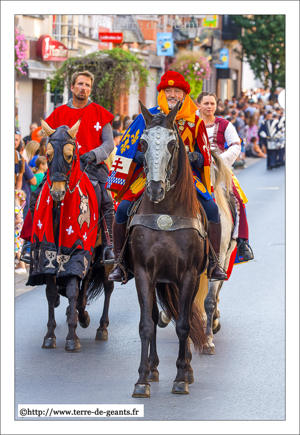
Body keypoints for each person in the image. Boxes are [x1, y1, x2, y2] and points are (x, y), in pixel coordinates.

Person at [107, 71, 227, 282]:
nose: (172, 94)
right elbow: (127, 149)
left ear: (184, 95)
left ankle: (214, 262)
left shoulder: (195, 122)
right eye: (168, 91)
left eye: (177, 91)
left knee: (212, 209)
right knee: (123, 209)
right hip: (148, 176)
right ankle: (119, 263)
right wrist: (143, 155)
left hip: (187, 181)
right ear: (162, 93)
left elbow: (205, 158)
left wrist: (193, 157)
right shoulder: (147, 117)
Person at [42, 70, 115, 258]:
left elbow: (109, 143)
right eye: (80, 84)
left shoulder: (100, 112)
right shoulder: (59, 113)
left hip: (92, 168)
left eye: (88, 85)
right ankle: (32, 242)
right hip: (62, 170)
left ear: (90, 89)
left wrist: (94, 154)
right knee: (37, 195)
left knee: (106, 199)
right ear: (72, 87)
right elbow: (47, 140)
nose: (84, 88)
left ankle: (109, 245)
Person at [197, 91, 254, 262]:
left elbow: (236, 145)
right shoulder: (191, 123)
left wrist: (219, 161)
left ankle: (242, 241)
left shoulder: (224, 124)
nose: (209, 107)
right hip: (196, 169)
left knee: (237, 199)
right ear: (198, 104)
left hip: (219, 171)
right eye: (206, 103)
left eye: (212, 104)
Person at [15, 190, 27, 274]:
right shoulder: (20, 208)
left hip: (16, 233)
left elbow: (19, 220)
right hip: (19, 233)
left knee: (17, 250)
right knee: (18, 249)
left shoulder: (16, 208)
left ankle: (23, 267)